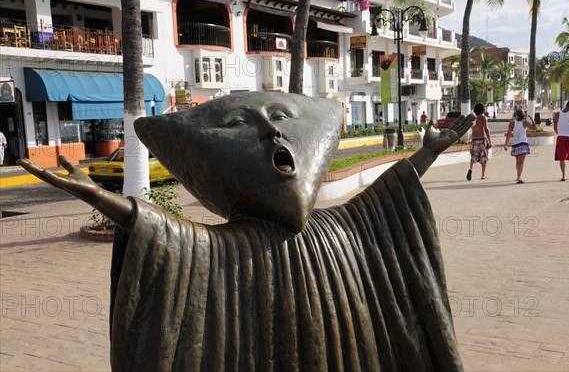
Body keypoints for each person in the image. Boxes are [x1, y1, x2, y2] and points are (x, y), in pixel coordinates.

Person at [18, 92, 471, 371]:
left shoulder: (340, 228)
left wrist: (423, 156)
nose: (271, 129)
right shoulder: (223, 250)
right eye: (239, 124)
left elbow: (380, 202)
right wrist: (104, 199)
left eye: (280, 114)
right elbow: (171, 238)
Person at [504, 108, 536, 183]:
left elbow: (508, 134)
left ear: (516, 115)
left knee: (518, 161)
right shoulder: (525, 122)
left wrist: (506, 144)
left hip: (515, 144)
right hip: (523, 143)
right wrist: (532, 119)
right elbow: (534, 128)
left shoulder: (512, 123)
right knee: (521, 162)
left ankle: (518, 176)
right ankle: (519, 177)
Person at [466, 103, 492, 180]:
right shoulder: (483, 118)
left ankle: (470, 169)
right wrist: (489, 141)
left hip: (474, 139)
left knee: (473, 156)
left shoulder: (473, 118)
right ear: (483, 110)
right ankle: (483, 175)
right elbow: (486, 129)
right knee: (483, 157)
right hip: (482, 139)